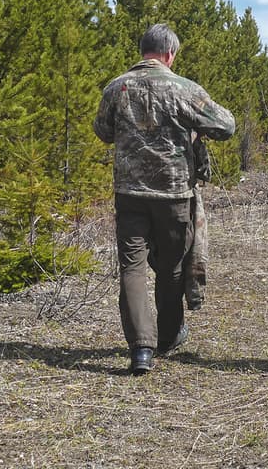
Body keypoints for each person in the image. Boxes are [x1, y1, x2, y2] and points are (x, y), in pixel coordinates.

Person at [93, 23, 235, 375]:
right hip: (174, 195)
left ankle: (141, 349)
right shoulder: (183, 89)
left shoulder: (117, 87)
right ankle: (168, 337)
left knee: (132, 268)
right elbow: (227, 125)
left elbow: (102, 131)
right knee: (171, 269)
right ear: (170, 53)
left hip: (130, 193)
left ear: (144, 50)